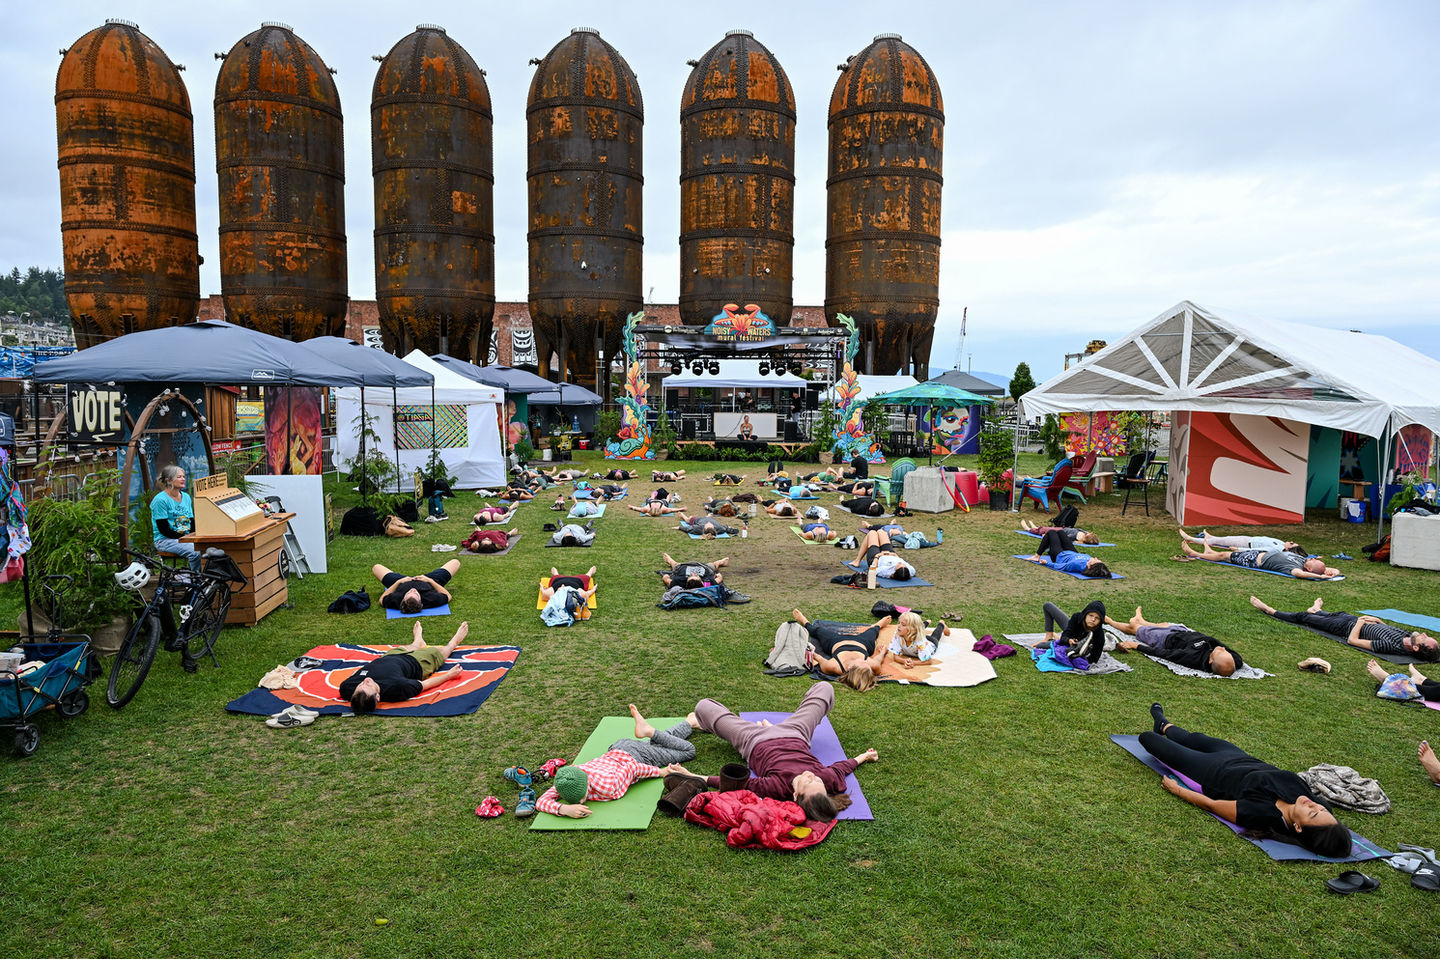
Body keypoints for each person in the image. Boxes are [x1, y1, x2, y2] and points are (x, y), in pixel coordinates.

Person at [1139, 703, 1352, 857]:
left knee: (1147, 738)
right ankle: (1164, 724)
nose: (1315, 805)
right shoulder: (1317, 807)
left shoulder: (1262, 814)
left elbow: (1212, 805)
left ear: (1298, 827)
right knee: (1193, 738)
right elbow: (1331, 832)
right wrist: (1322, 817)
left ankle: (1160, 732)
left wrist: (1177, 790)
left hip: (1209, 772)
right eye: (1321, 809)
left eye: (1313, 813)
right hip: (1239, 758)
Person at [680, 683, 879, 821]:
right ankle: (768, 725)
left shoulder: (778, 787)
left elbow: (737, 784)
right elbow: (843, 767)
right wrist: (865, 756)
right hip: (796, 732)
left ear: (795, 795)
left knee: (703, 706)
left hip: (754, 739)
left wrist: (692, 775)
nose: (811, 776)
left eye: (807, 782)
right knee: (825, 688)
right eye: (817, 780)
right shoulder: (826, 780)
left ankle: (760, 726)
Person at [536, 705, 695, 818]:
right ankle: (690, 722)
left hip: (638, 756)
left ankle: (649, 730)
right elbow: (541, 802)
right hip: (619, 748)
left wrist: (661, 772)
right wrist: (563, 809)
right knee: (661, 744)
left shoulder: (607, 786)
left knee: (688, 751)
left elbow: (632, 768)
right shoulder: (566, 781)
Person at [1250, 596, 1439, 661]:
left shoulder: (1391, 647)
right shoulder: (1408, 635)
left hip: (1345, 628)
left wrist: (1360, 623)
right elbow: (1386, 629)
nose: (1423, 633)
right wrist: (1377, 620)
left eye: (1424, 638)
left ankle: (1270, 610)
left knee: (1304, 618)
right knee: (1335, 613)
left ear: (1416, 648)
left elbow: (1353, 641)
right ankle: (1317, 610)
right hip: (1354, 620)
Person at [338, 621, 469, 713]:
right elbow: (424, 685)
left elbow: (353, 676)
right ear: (378, 697)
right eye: (368, 685)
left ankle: (418, 641)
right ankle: (454, 641)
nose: (365, 681)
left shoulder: (348, 689)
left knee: (411, 646)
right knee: (440, 652)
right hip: (417, 662)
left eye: (360, 685)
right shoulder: (397, 688)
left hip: (389, 657)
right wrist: (448, 675)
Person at [1107, 606, 1244, 675]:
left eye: (1220, 651)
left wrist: (1136, 646)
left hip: (1164, 639)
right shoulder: (1234, 661)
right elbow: (1231, 657)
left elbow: (1163, 654)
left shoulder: (1191, 657)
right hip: (1183, 632)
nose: (1222, 647)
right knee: (1162, 624)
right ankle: (1141, 620)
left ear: (1210, 660)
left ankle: (1109, 621)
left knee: (1133, 627)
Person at [1180, 541, 1338, 579]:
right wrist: (1331, 573)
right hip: (1260, 553)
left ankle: (1194, 553)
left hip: (1254, 560)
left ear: (1309, 569)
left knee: (1224, 556)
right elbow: (1335, 570)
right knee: (1225, 554)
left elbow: (1301, 575)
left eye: (1313, 561)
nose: (1311, 559)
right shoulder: (1302, 560)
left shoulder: (1295, 568)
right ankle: (1209, 552)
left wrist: (1320, 577)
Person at [150, 464, 201, 571]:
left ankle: (207, 577)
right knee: (196, 552)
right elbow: (163, 529)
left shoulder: (186, 497)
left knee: (210, 548)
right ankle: (196, 578)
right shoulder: (160, 500)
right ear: (168, 480)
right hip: (165, 540)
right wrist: (185, 539)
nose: (183, 479)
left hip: (186, 537)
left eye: (183, 476)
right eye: (179, 477)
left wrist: (193, 537)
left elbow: (191, 521)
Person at [372, 559, 461, 613]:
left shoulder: (396, 600)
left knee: (376, 567)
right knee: (455, 562)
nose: (413, 589)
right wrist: (429, 580)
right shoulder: (431, 599)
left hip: (402, 582)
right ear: (421, 600)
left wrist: (398, 582)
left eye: (409, 593)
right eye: (416, 593)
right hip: (427, 581)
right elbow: (448, 596)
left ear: (403, 599)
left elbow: (381, 600)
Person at [1024, 529, 1113, 578]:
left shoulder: (1076, 565)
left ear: (1090, 566)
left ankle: (1037, 556)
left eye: (1096, 560)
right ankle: (1049, 547)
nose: (1095, 558)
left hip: (1060, 556)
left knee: (1051, 533)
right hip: (1072, 553)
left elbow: (1061, 566)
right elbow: (1103, 571)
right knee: (1061, 532)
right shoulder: (1089, 563)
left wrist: (1047, 563)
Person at [1039, 599, 1108, 662]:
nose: (1093, 619)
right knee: (1048, 605)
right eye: (1091, 615)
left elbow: (1094, 659)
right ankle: (1049, 636)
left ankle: (1056, 637)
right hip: (1070, 636)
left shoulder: (1099, 634)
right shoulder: (1077, 617)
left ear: (1100, 621)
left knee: (1041, 645)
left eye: (1097, 618)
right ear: (1085, 614)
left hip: (1074, 648)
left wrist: (1080, 659)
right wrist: (1068, 640)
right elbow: (1065, 636)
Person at [1178, 527, 1305, 556]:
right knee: (1224, 539)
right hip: (1249, 539)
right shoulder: (1281, 543)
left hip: (1246, 544)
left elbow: (1258, 550)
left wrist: (1240, 550)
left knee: (1223, 540)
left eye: (1292, 543)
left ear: (1288, 549)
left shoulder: (1277, 549)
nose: (1290, 541)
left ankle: (1191, 539)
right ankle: (1210, 537)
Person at [851, 528, 916, 580]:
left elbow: (873, 570)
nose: (901, 563)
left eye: (899, 565)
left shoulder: (886, 571)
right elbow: (900, 560)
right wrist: (894, 555)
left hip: (877, 558)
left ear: (895, 571)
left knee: (872, 533)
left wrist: (878, 556)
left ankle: (857, 561)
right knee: (881, 532)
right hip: (891, 554)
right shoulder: (910, 571)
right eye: (904, 565)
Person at [661, 553, 728, 588]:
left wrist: (666, 576)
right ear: (701, 581)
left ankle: (670, 560)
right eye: (696, 575)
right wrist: (717, 575)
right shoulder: (707, 583)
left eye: (690, 576)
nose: (693, 573)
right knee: (713, 565)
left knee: (675, 564)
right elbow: (719, 578)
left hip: (682, 566)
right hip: (705, 567)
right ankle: (720, 562)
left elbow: (666, 579)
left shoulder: (679, 582)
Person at [1020, 517, 1101, 546]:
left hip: (1059, 532)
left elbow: (1064, 538)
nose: (1088, 532)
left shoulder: (1077, 537)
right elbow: (1081, 530)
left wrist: (1049, 537)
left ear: (1086, 538)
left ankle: (1028, 529)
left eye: (1089, 534)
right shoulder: (1084, 533)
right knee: (1046, 528)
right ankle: (1036, 527)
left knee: (1044, 531)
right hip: (1062, 528)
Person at [675, 513, 739, 538]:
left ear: (704, 528)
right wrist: (732, 530)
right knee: (709, 517)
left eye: (708, 525)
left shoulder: (699, 528)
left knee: (688, 519)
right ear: (713, 528)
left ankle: (682, 515)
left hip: (698, 520)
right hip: (708, 518)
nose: (709, 523)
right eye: (710, 525)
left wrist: (679, 527)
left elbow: (688, 528)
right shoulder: (718, 528)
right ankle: (707, 516)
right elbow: (726, 528)